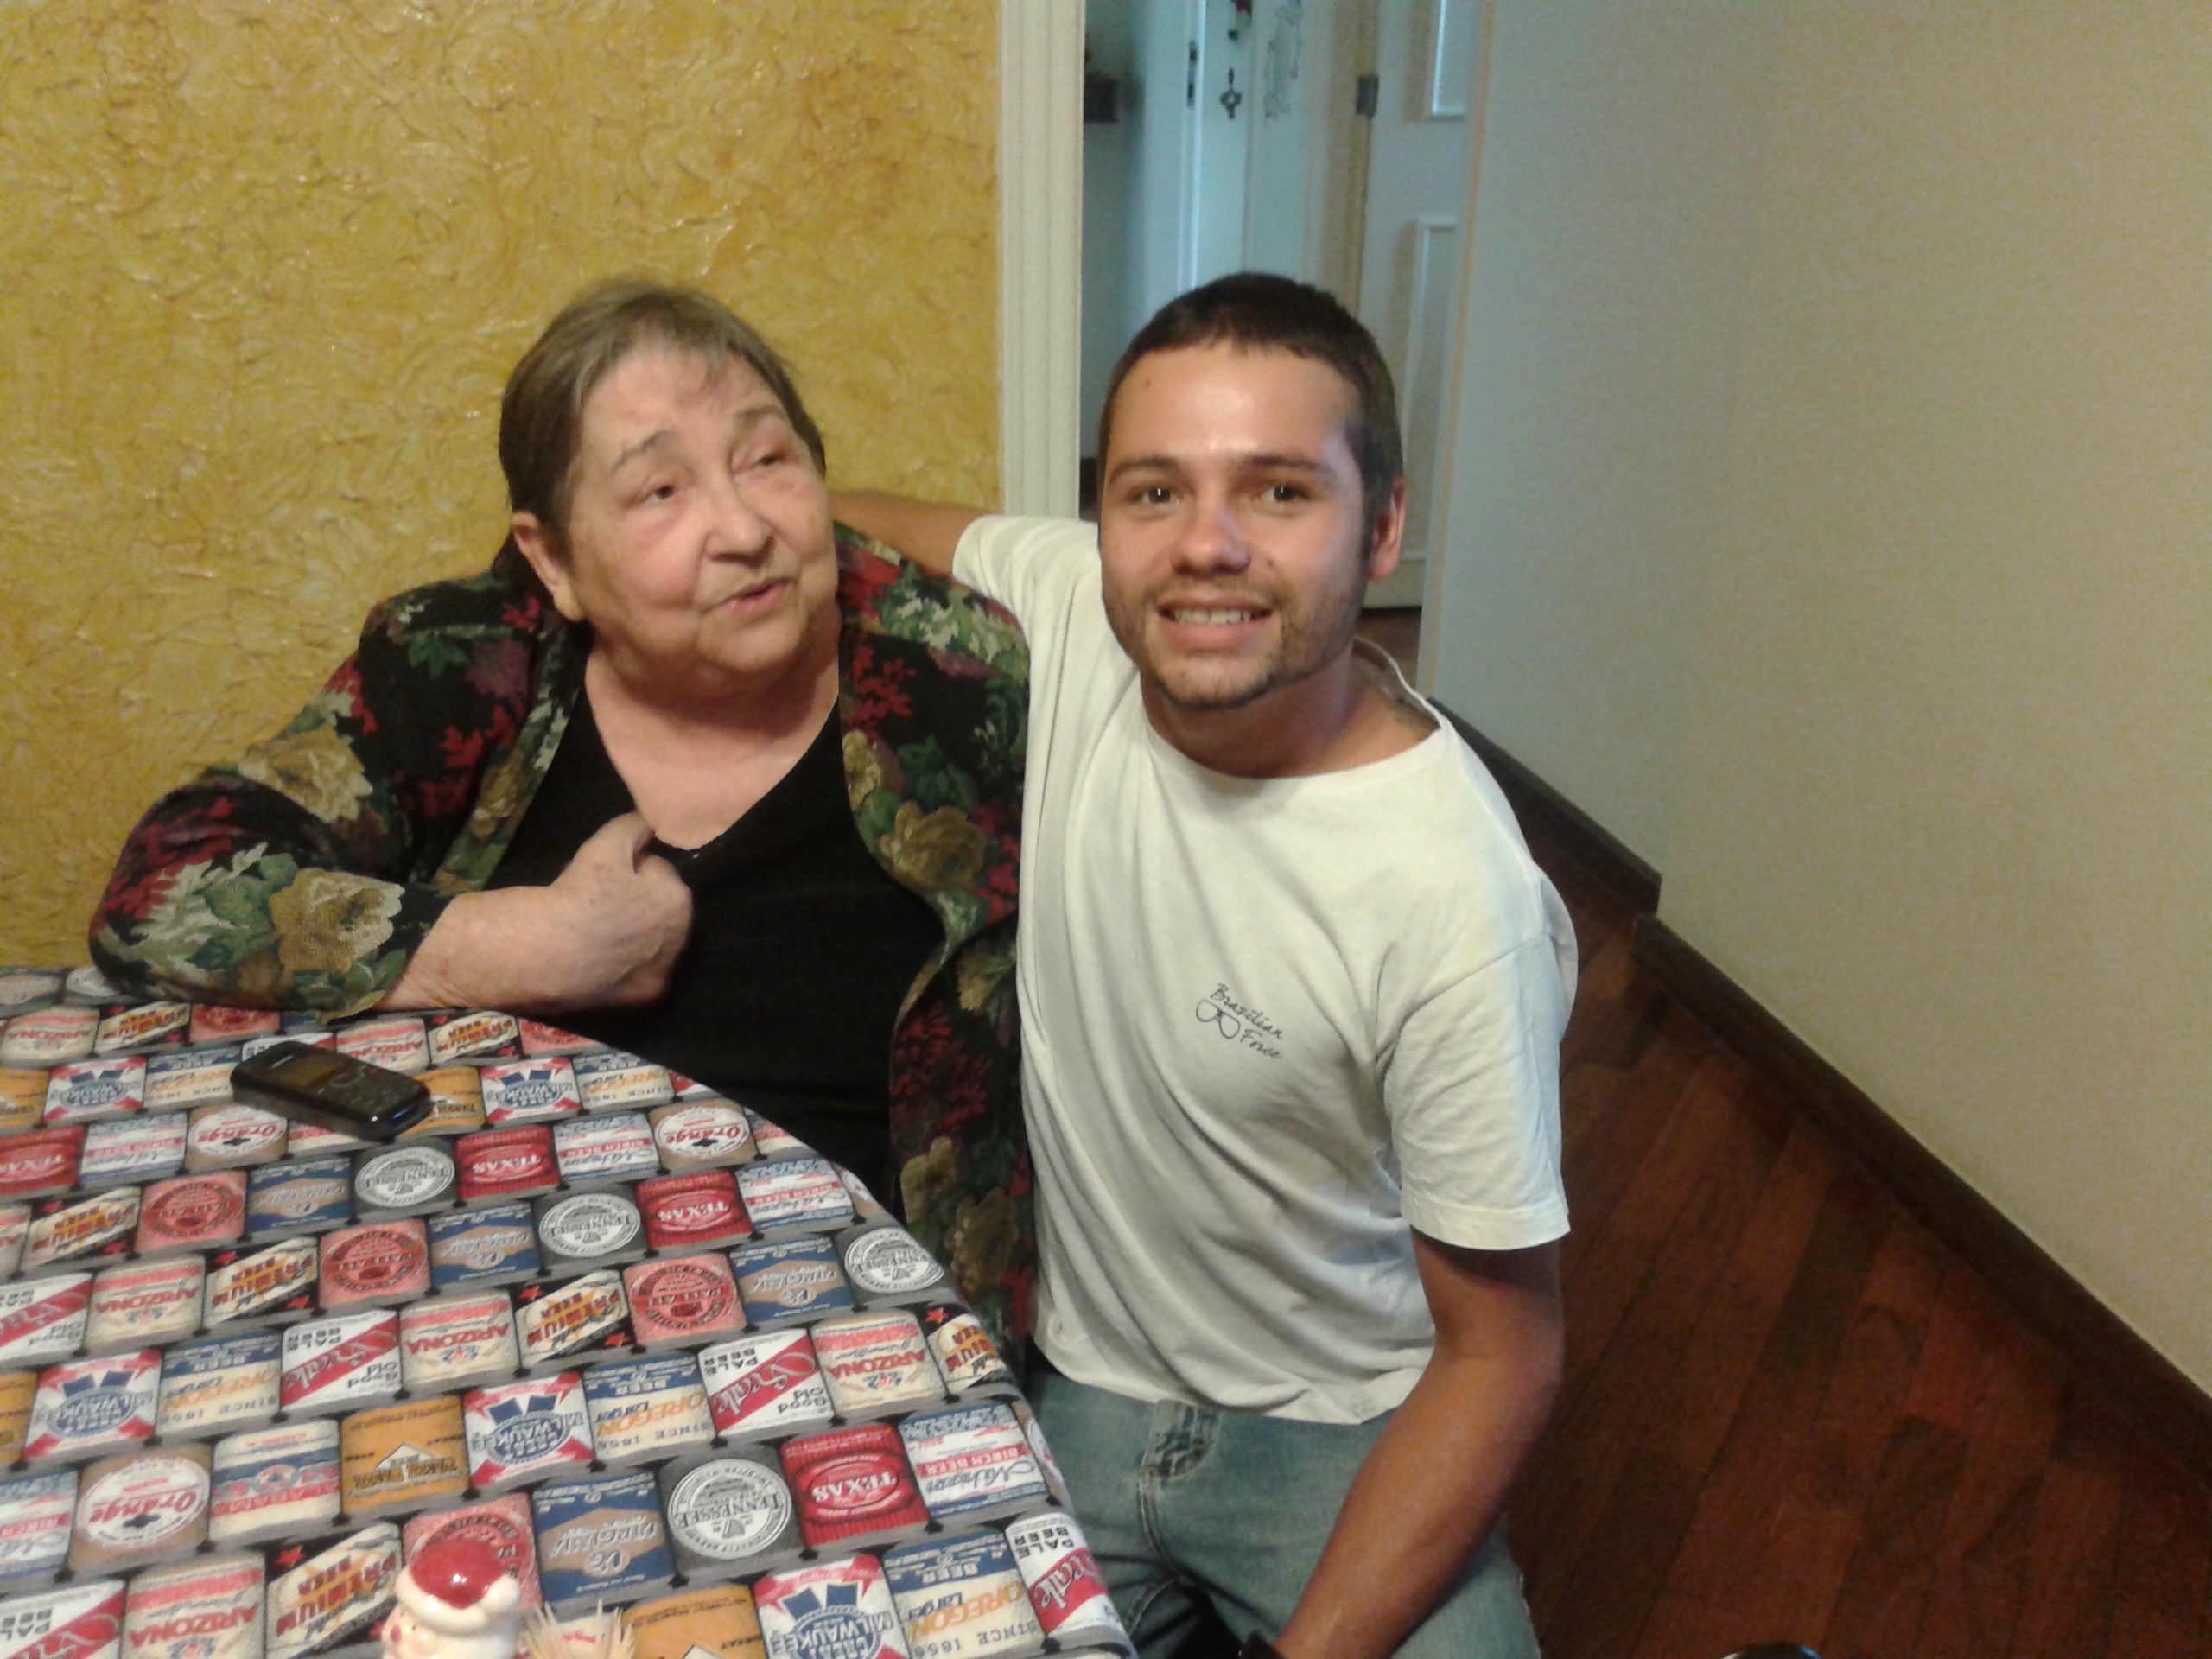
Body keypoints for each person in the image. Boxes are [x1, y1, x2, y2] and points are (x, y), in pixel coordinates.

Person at [834, 272, 1573, 1659]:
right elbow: (839, 519)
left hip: (1339, 1427)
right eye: (1154, 491)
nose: (1205, 547)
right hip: (1083, 1382)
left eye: (1280, 491)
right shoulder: (1073, 603)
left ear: (1384, 525)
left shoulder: (1454, 898)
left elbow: (1506, 1351)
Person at [91, 280, 1034, 1343]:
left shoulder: (961, 676)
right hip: (497, 1300)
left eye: (768, 460)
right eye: (659, 491)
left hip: (864, 1325)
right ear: (553, 561)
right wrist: (508, 944)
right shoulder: (462, 667)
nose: (741, 529)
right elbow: (163, 886)